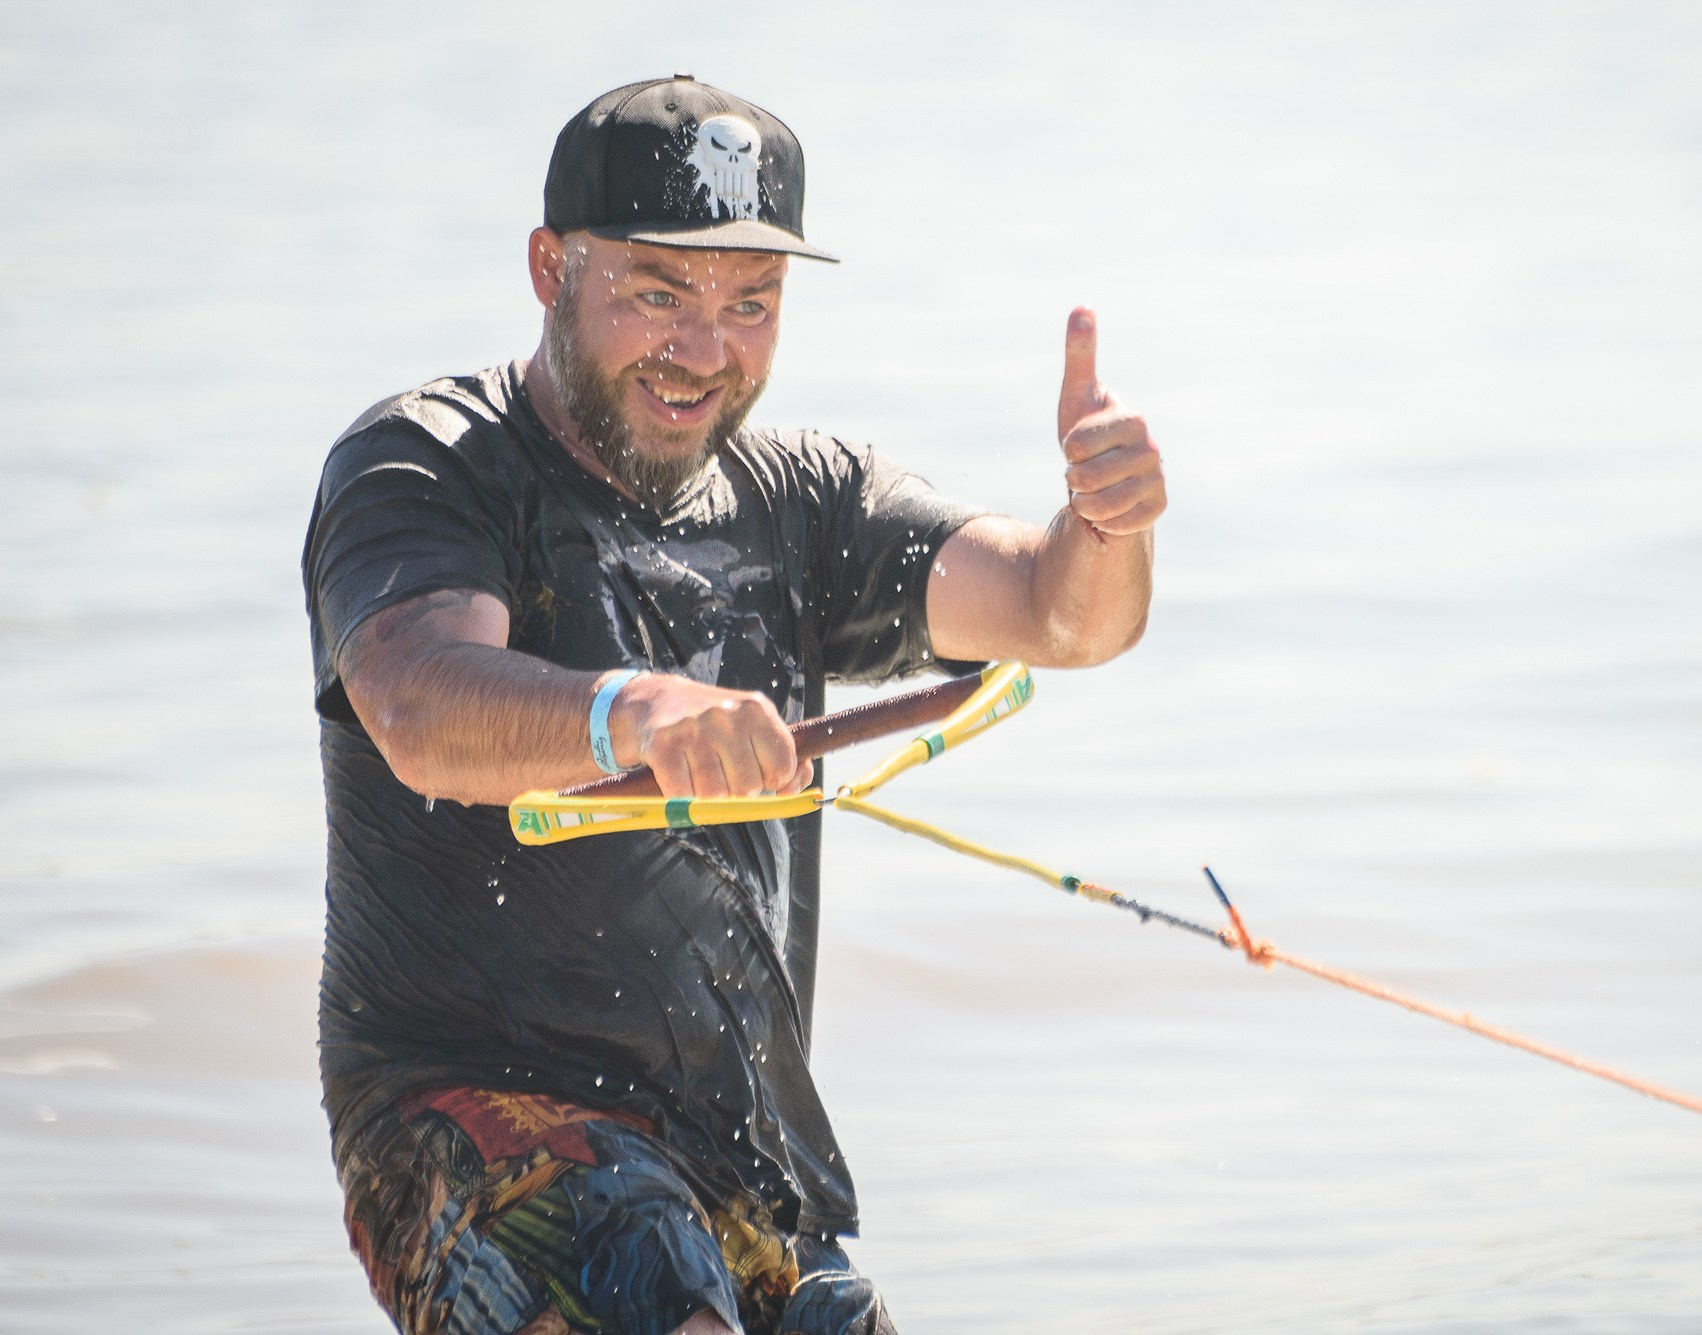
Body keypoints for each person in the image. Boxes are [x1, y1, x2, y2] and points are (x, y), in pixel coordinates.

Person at [303, 76, 1165, 1335]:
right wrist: (635, 713)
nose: (704, 351)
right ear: (550, 268)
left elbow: (1062, 617)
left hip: (745, 1165)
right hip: (472, 1117)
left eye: (749, 304)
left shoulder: (806, 499)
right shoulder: (427, 462)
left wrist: (1105, 525)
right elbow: (417, 708)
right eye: (658, 294)